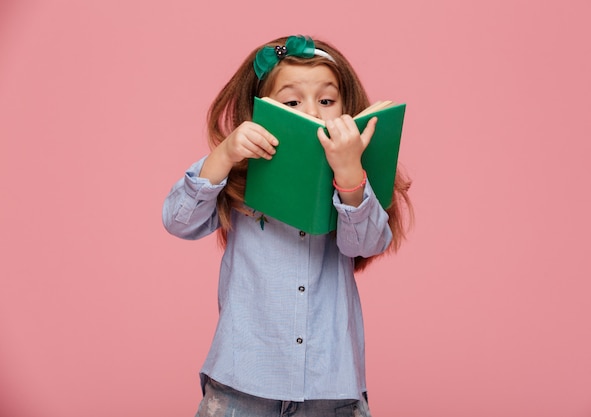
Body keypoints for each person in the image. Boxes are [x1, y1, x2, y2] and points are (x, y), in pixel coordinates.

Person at [162, 34, 413, 417]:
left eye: (326, 101)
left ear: (348, 108)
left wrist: (349, 174)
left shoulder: (355, 181)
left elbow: (366, 243)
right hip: (242, 380)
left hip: (330, 386)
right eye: (292, 102)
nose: (312, 113)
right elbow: (179, 221)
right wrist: (225, 154)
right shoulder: (237, 174)